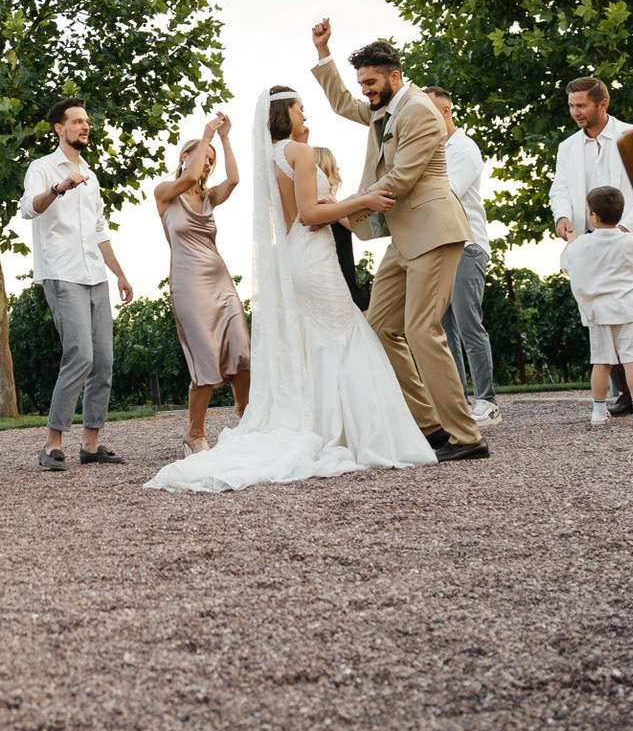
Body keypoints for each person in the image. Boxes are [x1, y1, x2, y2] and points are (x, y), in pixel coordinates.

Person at [146, 87, 436, 492]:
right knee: (341, 335)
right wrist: (364, 200)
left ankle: (308, 422)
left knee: (302, 343)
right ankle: (351, 432)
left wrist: (225, 140)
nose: (305, 113)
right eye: (300, 107)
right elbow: (311, 214)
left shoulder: (267, 160)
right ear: (286, 112)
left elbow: (240, 183)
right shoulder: (293, 155)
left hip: (277, 261)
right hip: (282, 261)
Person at [308, 22, 490, 459]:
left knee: (422, 329)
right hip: (404, 238)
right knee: (379, 327)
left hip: (434, 232)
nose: (365, 90)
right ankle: (429, 427)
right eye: (362, 83)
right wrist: (323, 52)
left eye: (370, 82)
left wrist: (341, 210)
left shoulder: (419, 111)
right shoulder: (384, 108)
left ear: (394, 76)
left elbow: (402, 179)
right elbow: (342, 103)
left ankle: (467, 437)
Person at [548, 74, 633, 417]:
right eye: (571, 105)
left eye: (581, 105)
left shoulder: (632, 137)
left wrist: (623, 230)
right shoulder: (567, 147)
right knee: (607, 318)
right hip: (592, 249)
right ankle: (626, 395)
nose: (575, 112)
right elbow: (560, 188)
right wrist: (562, 216)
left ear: (602, 103)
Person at [23, 98, 136, 471]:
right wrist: (59, 188)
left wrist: (119, 273)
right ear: (60, 128)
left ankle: (91, 443)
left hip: (95, 275)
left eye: (87, 121)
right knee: (80, 356)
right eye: (77, 121)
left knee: (103, 360)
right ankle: (52, 444)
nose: (85, 126)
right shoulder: (41, 168)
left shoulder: (91, 175)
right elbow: (28, 208)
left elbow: (99, 229)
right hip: (62, 272)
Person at [153, 116, 250, 453]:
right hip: (189, 285)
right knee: (205, 358)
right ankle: (194, 434)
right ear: (185, 156)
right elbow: (189, 177)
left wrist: (224, 138)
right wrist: (206, 134)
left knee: (241, 350)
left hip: (220, 281)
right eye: (203, 157)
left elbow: (234, 179)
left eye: (211, 161)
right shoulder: (165, 193)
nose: (207, 165)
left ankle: (246, 417)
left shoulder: (209, 197)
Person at [423, 86, 498, 427]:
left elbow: (447, 193)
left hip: (467, 245)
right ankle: (456, 401)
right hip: (439, 247)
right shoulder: (431, 149)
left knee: (469, 324)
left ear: (445, 112)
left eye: (428, 112)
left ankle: (487, 401)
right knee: (444, 327)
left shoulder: (464, 150)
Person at [562, 186, 633, 426]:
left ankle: (598, 412)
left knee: (601, 362)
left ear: (594, 216)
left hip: (599, 312)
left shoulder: (581, 245)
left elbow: (568, 264)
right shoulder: (629, 240)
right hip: (629, 308)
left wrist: (572, 241)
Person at [312, 147, 371, 312]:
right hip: (339, 277)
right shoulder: (326, 200)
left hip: (342, 275)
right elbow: (355, 226)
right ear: (326, 167)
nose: (338, 168)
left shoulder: (327, 201)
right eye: (334, 164)